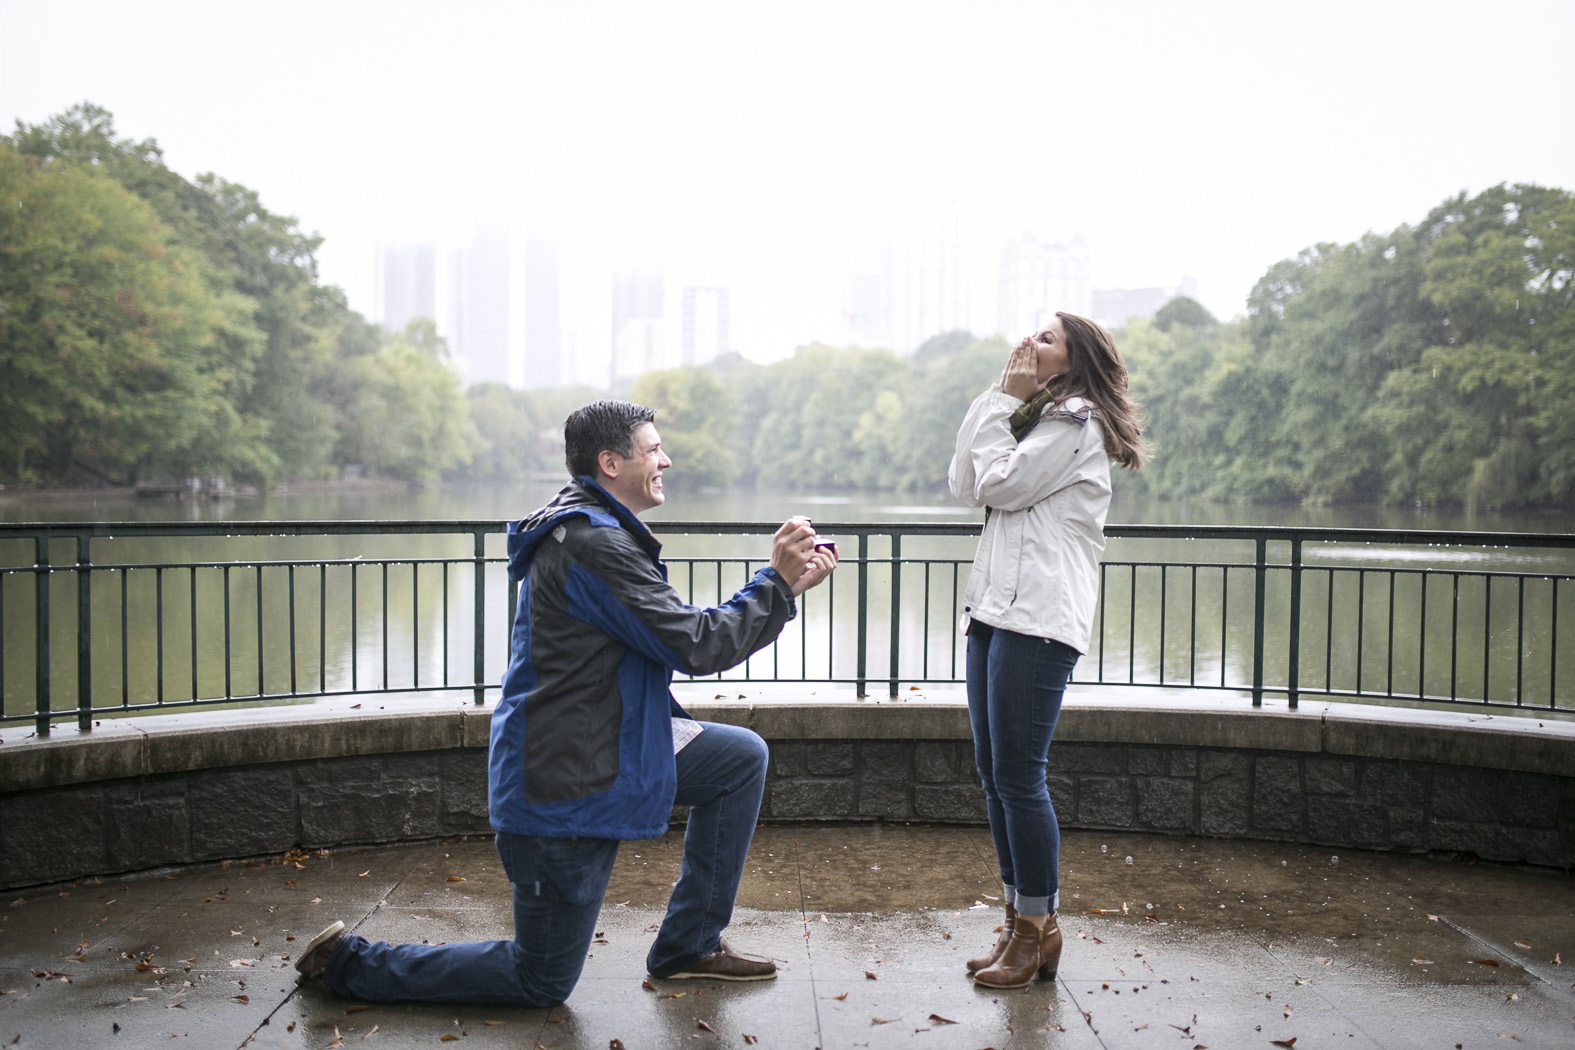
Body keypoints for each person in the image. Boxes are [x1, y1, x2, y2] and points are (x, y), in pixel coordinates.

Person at [292, 399, 837, 1006]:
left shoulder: (591, 529)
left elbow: (681, 635)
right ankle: (347, 964)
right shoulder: (592, 545)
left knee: (738, 759)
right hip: (562, 782)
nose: (667, 459)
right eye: (653, 449)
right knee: (540, 980)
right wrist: (776, 584)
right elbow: (697, 643)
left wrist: (783, 592)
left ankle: (689, 945)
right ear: (610, 462)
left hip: (602, 745)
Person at [947, 312, 1145, 989]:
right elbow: (964, 482)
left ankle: (1038, 930)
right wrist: (996, 399)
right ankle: (1014, 924)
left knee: (1019, 778)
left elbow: (999, 485)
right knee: (993, 773)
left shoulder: (1075, 422)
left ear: (1074, 358)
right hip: (995, 611)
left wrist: (1003, 405)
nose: (1030, 343)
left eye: (1046, 339)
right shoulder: (1030, 415)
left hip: (1037, 616)